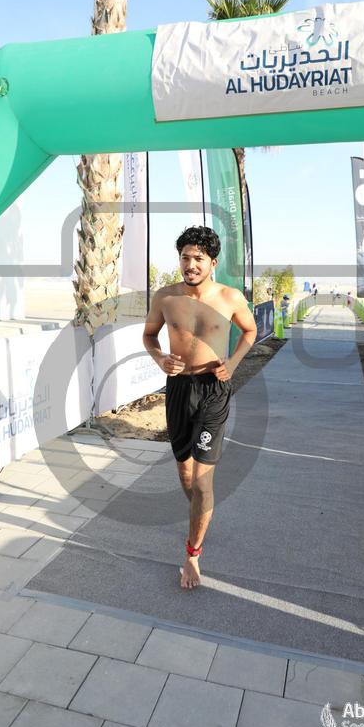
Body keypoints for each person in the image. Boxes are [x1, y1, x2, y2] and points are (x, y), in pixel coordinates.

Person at [143, 226, 257, 589]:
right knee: (186, 475)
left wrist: (233, 363)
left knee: (203, 481)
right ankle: (200, 514)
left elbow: (250, 331)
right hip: (178, 389)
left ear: (213, 263)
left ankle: (193, 553)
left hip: (213, 390)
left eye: (198, 259)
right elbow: (149, 335)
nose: (190, 265)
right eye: (185, 257)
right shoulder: (165, 297)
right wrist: (160, 357)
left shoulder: (229, 297)